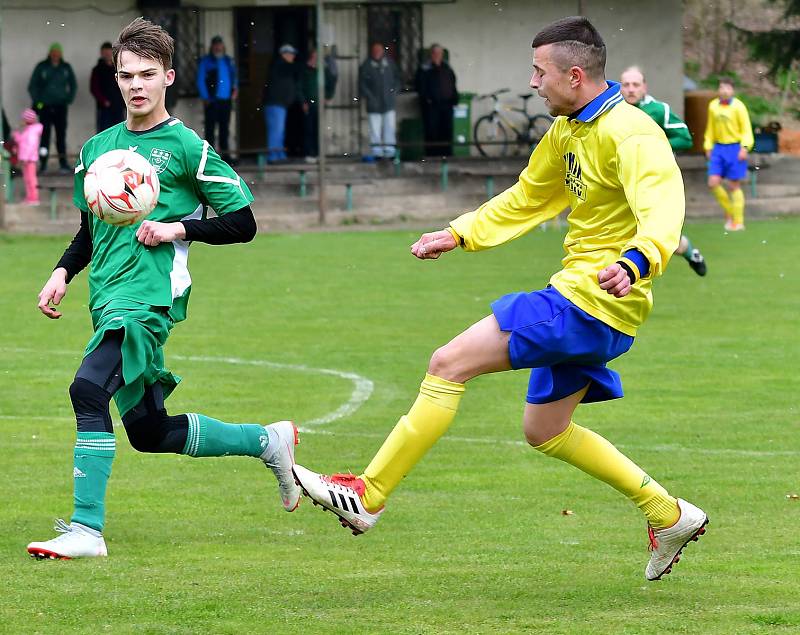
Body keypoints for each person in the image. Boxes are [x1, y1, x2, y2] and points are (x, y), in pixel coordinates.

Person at [293, 16, 708, 582]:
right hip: (592, 303)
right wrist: (460, 233)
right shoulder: (569, 131)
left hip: (591, 299)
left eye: (539, 72)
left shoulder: (631, 133)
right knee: (546, 430)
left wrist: (635, 261)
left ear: (576, 74)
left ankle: (368, 493)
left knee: (448, 363)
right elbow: (528, 197)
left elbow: (663, 208)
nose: (533, 82)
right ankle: (669, 513)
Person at [27, 17, 300, 561]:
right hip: (107, 298)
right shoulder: (99, 149)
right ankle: (268, 441)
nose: (135, 85)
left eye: (147, 74)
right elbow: (90, 229)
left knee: (87, 390)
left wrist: (180, 228)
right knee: (149, 431)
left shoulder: (188, 148)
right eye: (126, 74)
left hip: (151, 301)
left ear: (168, 77)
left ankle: (86, 529)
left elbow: (243, 222)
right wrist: (62, 272)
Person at [620, 66, 707, 276]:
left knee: (659, 234)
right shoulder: (615, 112)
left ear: (645, 87)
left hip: (652, 183)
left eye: (636, 84)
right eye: (626, 85)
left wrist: (653, 146)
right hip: (621, 183)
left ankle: (690, 253)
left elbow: (685, 138)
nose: (631, 89)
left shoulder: (658, 110)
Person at [704, 78, 753, 231]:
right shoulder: (713, 106)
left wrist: (745, 147)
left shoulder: (739, 107)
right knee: (713, 183)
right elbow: (710, 128)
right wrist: (707, 145)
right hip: (718, 148)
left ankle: (738, 222)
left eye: (727, 88)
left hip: (735, 148)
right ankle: (731, 213)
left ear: (732, 90)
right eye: (721, 87)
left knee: (733, 185)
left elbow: (746, 129)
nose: (724, 90)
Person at [28, 42, 77, 173]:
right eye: (53, 52)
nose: (55, 55)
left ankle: (63, 163)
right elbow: (33, 86)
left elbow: (73, 85)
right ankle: (43, 164)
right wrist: (39, 101)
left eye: (58, 53)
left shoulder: (65, 68)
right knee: (45, 136)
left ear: (61, 54)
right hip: (45, 107)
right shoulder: (42, 67)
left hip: (61, 106)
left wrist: (69, 99)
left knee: (61, 135)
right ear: (50, 53)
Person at [197, 35, 238, 164]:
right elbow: (200, 80)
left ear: (223, 46)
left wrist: (235, 88)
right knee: (210, 129)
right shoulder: (206, 61)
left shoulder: (228, 60)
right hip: (212, 100)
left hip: (226, 100)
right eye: (215, 45)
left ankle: (225, 157)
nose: (218, 47)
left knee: (224, 128)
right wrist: (205, 97)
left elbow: (234, 76)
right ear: (212, 47)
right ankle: (209, 158)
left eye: (219, 45)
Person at [359, 42, 401, 160]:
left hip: (389, 102)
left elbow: (398, 78)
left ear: (383, 51)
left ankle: (390, 152)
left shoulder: (389, 63)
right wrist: (370, 97)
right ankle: (377, 153)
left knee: (390, 128)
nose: (377, 52)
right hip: (374, 104)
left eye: (379, 50)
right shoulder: (366, 65)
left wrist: (394, 92)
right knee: (375, 130)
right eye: (375, 50)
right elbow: (362, 84)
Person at [262, 44, 302, 164]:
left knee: (279, 131)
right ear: (284, 54)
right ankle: (273, 156)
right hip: (275, 104)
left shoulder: (281, 66)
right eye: (291, 54)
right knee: (276, 131)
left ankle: (279, 155)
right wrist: (307, 64)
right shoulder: (279, 64)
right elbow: (296, 68)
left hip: (279, 105)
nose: (293, 56)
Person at [416, 44, 459, 157]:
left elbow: (453, 83)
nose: (437, 55)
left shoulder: (447, 67)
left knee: (446, 130)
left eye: (439, 53)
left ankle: (446, 155)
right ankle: (432, 156)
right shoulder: (424, 68)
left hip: (447, 104)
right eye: (435, 53)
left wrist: (454, 98)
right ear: (431, 54)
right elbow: (420, 87)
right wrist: (427, 99)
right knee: (432, 131)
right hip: (431, 106)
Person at [301, 47, 337, 163]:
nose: (316, 58)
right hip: (309, 104)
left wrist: (328, 97)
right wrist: (303, 101)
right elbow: (300, 87)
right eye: (314, 56)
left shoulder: (324, 70)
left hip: (320, 105)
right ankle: (309, 153)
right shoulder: (305, 69)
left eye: (318, 56)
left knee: (318, 130)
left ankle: (318, 154)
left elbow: (331, 84)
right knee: (309, 129)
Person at [91, 42, 126, 133]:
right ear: (102, 53)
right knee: (104, 132)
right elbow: (94, 88)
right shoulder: (97, 69)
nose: (107, 55)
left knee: (120, 132)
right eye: (105, 53)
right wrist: (103, 101)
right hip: (104, 107)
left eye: (109, 53)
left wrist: (124, 101)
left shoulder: (120, 68)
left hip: (119, 106)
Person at [12, 108, 44, 205]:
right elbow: (22, 142)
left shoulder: (32, 132)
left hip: (29, 159)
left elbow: (31, 146)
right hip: (25, 159)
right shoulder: (28, 130)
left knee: (31, 178)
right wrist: (17, 134)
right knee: (27, 178)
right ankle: (29, 197)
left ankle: (34, 198)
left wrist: (25, 158)